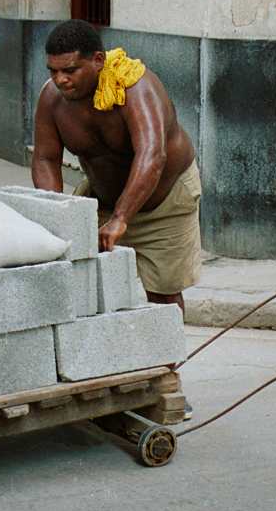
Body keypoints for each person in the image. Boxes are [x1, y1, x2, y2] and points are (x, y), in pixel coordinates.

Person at [32, 19, 202, 311]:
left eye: (70, 70)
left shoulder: (135, 86)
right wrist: (57, 211)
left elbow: (152, 154)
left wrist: (121, 218)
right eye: (53, 71)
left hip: (161, 203)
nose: (60, 80)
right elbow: (45, 158)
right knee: (82, 287)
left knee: (162, 296)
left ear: (98, 60)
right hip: (101, 200)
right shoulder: (51, 99)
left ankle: (169, 357)